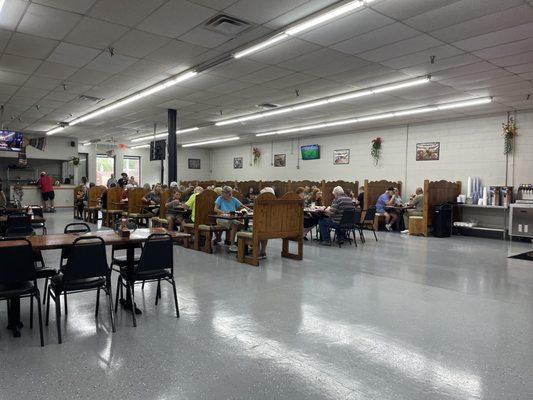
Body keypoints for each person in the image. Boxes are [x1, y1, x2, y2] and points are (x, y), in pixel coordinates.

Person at [214, 186, 250, 252]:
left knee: (243, 225)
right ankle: (232, 245)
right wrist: (224, 212)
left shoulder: (234, 199)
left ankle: (244, 243)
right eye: (221, 192)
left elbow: (242, 206)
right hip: (221, 219)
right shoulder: (220, 198)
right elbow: (215, 209)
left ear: (228, 193)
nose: (221, 194)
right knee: (234, 224)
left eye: (223, 192)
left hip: (231, 219)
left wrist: (248, 209)